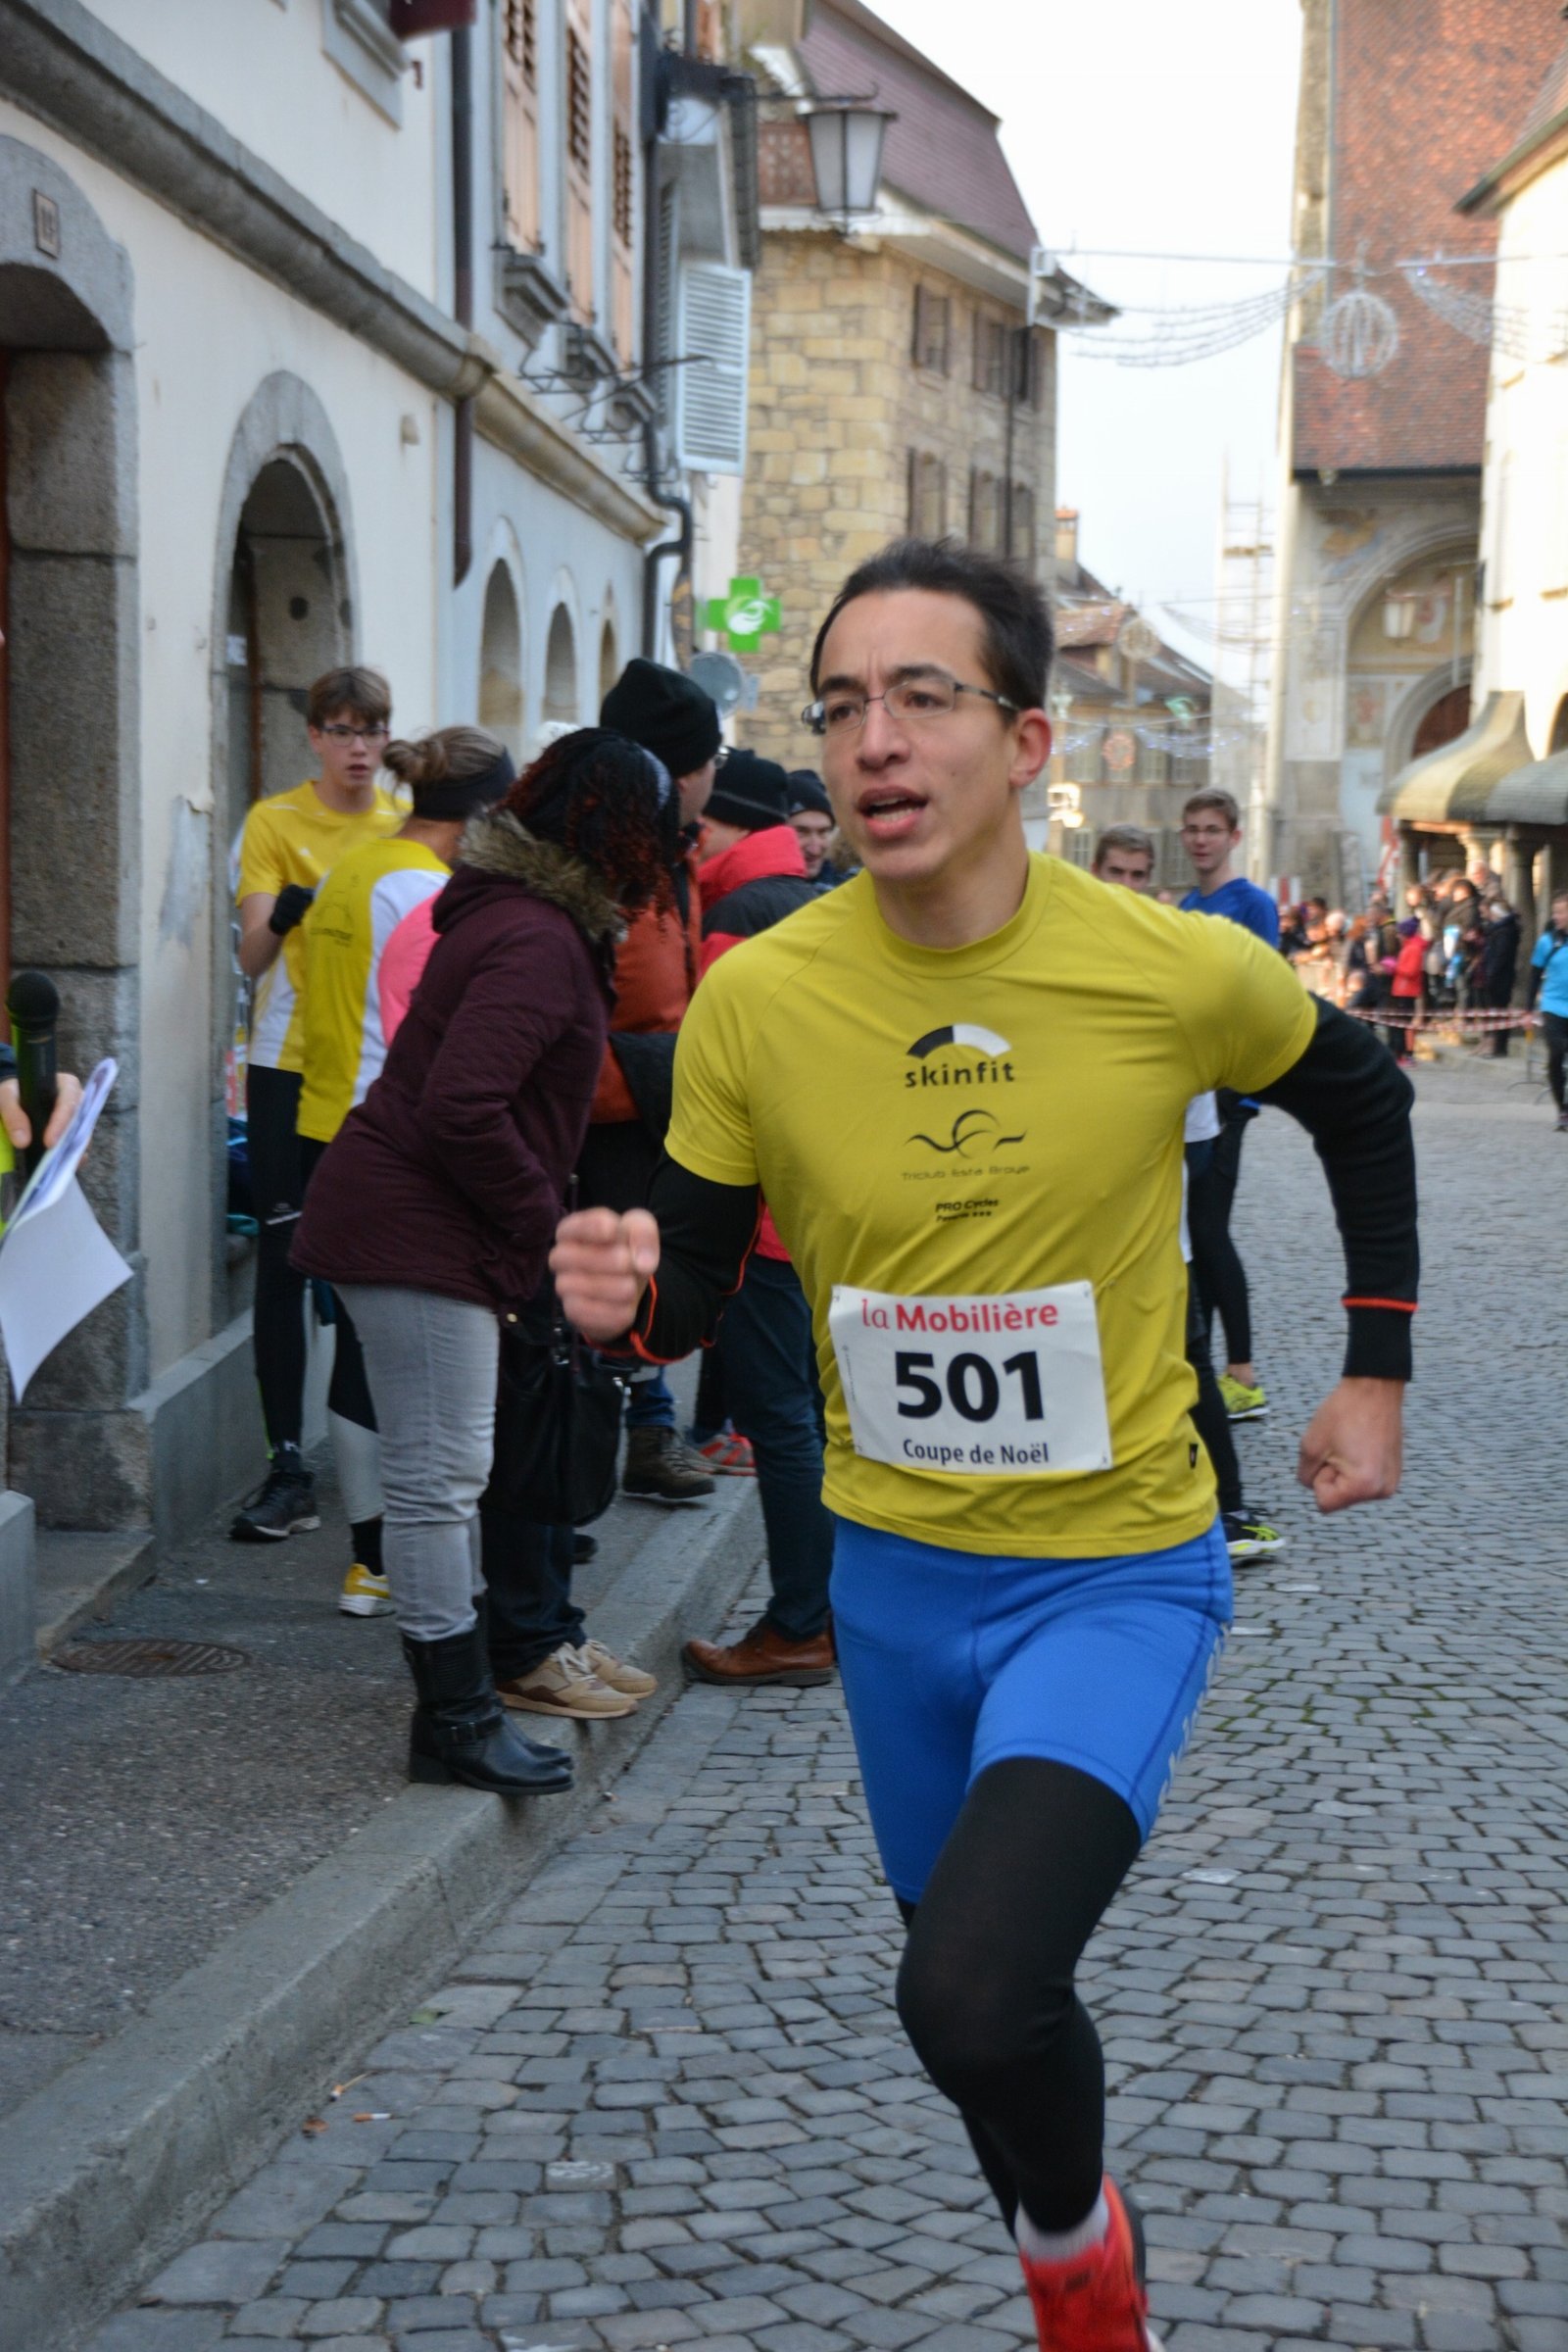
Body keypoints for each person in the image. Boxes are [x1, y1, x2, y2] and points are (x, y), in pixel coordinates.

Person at [551, 538, 1416, 2352]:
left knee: (965, 1985)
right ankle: (1072, 2240)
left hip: (1114, 1577)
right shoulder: (761, 998)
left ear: (1026, 742)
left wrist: (1372, 1371)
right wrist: (629, 1297)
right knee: (977, 2014)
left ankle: (1081, 2291)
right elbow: (696, 1287)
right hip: (895, 1591)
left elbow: (1358, 1093)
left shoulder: (1168, 969)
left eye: (923, 697)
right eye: (842, 705)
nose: (875, 738)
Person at [293, 730, 680, 1795]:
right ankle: (456, 1719)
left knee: (448, 1474)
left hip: (429, 1222)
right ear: (617, 832)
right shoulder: (536, 935)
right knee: (439, 1480)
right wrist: (542, 1225)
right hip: (416, 1227)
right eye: (658, 834)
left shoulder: (528, 917)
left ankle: (470, 1702)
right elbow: (463, 1107)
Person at [296, 725, 514, 1615]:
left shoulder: (355, 867)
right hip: (392, 1137)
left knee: (356, 1348)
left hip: (328, 1119)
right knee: (400, 1371)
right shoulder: (430, 892)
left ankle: (370, 1557)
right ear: (486, 814)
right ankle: (385, 1560)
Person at [230, 668, 403, 1543]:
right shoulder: (275, 821)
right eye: (341, 731)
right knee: (284, 1259)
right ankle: (288, 1468)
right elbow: (251, 958)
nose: (358, 748)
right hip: (286, 1064)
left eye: (371, 730)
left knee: (367, 1265)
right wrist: (288, 915)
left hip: (370, 1072)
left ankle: (370, 1469)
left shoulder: (404, 827)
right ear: (314, 737)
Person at [681, 750, 839, 1685]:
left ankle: (801, 1624)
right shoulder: (818, 901)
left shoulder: (737, 915)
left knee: (782, 1425)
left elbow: (720, 1071)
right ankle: (833, 1610)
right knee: (818, 1419)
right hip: (821, 1203)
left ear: (725, 824)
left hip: (762, 1213)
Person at [1091, 825, 1284, 1569]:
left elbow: (1200, 1134)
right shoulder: (1060, 964)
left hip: (1154, 1220)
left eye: (1139, 874)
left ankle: (1227, 1507)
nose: (1127, 887)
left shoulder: (1172, 968)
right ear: (1094, 872)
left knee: (1186, 1361)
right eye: (1116, 872)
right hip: (1074, 1224)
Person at [590, 659, 723, 1504]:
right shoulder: (605, 859)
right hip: (605, 1112)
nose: (716, 776)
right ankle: (567, 1487)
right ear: (678, 771)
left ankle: (646, 1432)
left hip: (649, 1105)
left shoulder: (671, 850)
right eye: (711, 760)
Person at [1178, 787, 1278, 1426]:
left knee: (1211, 1232)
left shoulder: (1252, 904)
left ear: (1234, 837)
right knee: (1195, 1233)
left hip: (1230, 1093)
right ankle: (1205, 1369)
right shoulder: (1188, 908)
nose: (1201, 839)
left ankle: (1242, 1373)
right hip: (1193, 1095)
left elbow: (1262, 995)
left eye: (1212, 829)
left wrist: (1232, 1079)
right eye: (1192, 829)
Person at [1528, 887, 1568, 1130]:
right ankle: (1562, 1109)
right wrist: (1528, 1008)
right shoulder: (1547, 942)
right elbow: (1534, 975)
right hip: (1553, 1005)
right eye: (1555, 912)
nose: (1556, 917)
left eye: (1561, 912)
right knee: (1556, 1052)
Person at [786, 769, 838, 886]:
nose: (814, 850)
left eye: (823, 832)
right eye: (801, 832)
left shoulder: (850, 889)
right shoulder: (753, 892)